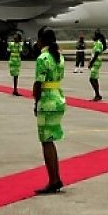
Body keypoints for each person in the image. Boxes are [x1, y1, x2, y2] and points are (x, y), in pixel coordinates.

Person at [32, 27, 66, 194]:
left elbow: (38, 83)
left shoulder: (43, 58)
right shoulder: (59, 57)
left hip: (47, 100)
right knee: (50, 140)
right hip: (58, 97)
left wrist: (35, 102)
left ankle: (53, 180)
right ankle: (56, 177)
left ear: (41, 41)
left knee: (46, 141)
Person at [87, 31, 104, 101]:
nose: (93, 37)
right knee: (95, 78)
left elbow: (96, 54)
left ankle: (97, 95)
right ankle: (98, 94)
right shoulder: (96, 43)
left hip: (96, 62)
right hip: (96, 62)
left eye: (94, 35)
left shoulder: (98, 44)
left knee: (92, 79)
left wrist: (91, 62)